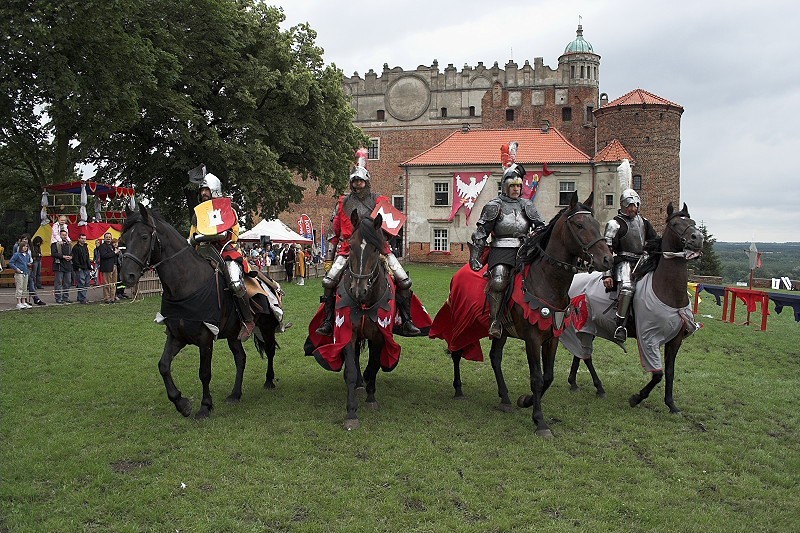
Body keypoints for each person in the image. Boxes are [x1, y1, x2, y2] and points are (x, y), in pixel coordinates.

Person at [316, 148, 421, 336]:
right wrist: (329, 258)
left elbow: (389, 228)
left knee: (404, 281)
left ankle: (406, 320)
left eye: (361, 180)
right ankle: (328, 321)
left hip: (378, 248)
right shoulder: (342, 202)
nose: (358, 184)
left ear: (367, 181)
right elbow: (335, 231)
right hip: (349, 248)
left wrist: (382, 240)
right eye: (355, 181)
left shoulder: (379, 200)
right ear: (351, 183)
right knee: (329, 281)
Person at [470, 142, 544, 338]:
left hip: (524, 250)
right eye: (513, 186)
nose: (517, 189)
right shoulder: (495, 205)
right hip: (501, 250)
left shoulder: (527, 205)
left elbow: (541, 227)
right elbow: (481, 232)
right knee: (500, 279)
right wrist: (475, 257)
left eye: (519, 186)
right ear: (505, 186)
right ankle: (495, 321)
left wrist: (536, 239)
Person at [189, 172, 255, 340]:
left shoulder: (227, 209)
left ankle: (248, 320)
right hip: (204, 253)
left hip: (226, 252)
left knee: (235, 282)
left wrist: (202, 238)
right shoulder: (199, 215)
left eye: (206, 190)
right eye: (202, 190)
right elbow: (192, 236)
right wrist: (191, 240)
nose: (203, 193)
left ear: (215, 190)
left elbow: (229, 234)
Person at [602, 188, 658, 342]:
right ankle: (620, 325)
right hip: (624, 262)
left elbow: (654, 241)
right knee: (627, 288)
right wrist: (606, 274)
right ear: (623, 206)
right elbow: (607, 250)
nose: (633, 208)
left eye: (636, 205)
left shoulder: (644, 222)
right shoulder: (614, 224)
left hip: (642, 261)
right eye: (630, 205)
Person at [51, 229, 74, 303]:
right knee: (59, 282)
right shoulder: (55, 244)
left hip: (68, 265)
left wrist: (71, 257)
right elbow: (54, 254)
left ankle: (66, 297)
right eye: (62, 235)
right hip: (59, 265)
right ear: (59, 235)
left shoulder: (69, 244)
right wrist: (63, 256)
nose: (64, 236)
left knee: (68, 282)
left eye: (65, 235)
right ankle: (58, 298)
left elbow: (72, 253)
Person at [97, 232, 119, 304]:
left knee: (113, 283)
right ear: (104, 238)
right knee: (107, 284)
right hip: (107, 267)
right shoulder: (102, 246)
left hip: (114, 266)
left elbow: (114, 255)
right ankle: (107, 298)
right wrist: (114, 253)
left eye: (109, 237)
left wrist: (117, 253)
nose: (108, 238)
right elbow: (104, 256)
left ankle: (112, 297)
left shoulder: (112, 246)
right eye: (107, 237)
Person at [9, 242, 32, 309]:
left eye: (26, 246)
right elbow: (11, 262)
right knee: (19, 288)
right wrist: (16, 269)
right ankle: (18, 302)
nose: (25, 248)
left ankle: (24, 301)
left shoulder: (27, 255)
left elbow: (27, 262)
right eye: (24, 246)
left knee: (25, 288)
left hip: (26, 273)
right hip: (19, 274)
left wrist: (28, 264)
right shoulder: (17, 254)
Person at [72, 234, 92, 304]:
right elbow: (75, 259)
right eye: (82, 238)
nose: (83, 240)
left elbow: (87, 257)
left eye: (84, 238)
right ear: (78, 239)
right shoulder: (75, 248)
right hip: (79, 268)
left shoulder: (85, 247)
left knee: (86, 283)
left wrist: (89, 266)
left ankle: (80, 297)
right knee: (81, 283)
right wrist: (78, 267)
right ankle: (83, 298)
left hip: (86, 268)